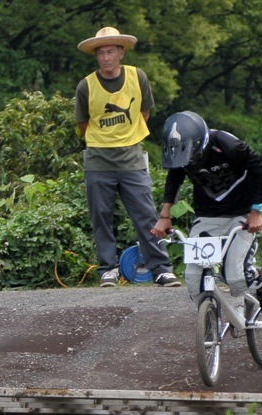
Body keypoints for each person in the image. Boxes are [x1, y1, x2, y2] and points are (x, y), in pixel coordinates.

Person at [75, 27, 180, 288]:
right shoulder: (86, 85)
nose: (106, 58)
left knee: (146, 214)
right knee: (101, 215)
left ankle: (161, 268)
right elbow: (82, 125)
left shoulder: (138, 76)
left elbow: (144, 113)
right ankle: (107, 269)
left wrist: (126, 136)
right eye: (101, 53)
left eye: (111, 51)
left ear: (121, 52)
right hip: (98, 159)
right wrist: (105, 140)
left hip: (132, 156)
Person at [152, 111, 262, 322]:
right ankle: (208, 322)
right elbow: (174, 178)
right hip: (206, 216)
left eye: (192, 157)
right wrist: (164, 215)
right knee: (193, 279)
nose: (190, 162)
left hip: (241, 215)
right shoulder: (180, 154)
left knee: (236, 277)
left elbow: (260, 169)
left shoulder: (228, 144)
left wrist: (257, 212)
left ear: (200, 143)